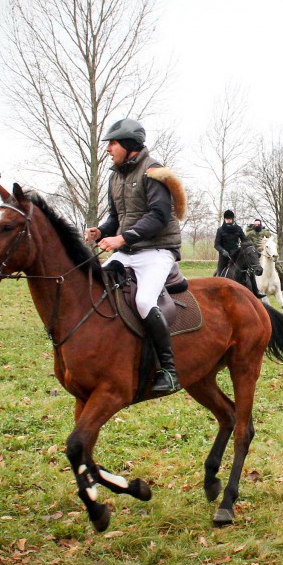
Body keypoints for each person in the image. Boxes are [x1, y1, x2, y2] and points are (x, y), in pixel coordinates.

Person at [84, 117, 186, 396]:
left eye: (112, 144)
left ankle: (169, 370)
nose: (108, 149)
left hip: (158, 250)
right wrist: (101, 231)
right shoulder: (115, 177)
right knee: (94, 285)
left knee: (143, 301)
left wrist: (121, 238)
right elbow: (115, 218)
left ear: (129, 145)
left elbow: (159, 215)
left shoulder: (154, 172)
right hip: (128, 251)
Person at [244, 217, 283, 290]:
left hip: (265, 253)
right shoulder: (249, 233)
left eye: (258, 224)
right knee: (247, 266)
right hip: (254, 254)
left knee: (277, 265)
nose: (257, 225)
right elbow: (246, 242)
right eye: (255, 224)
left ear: (260, 224)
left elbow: (270, 241)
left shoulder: (266, 232)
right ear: (253, 225)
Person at [214, 210, 248, 278]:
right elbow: (216, 245)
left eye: (230, 219)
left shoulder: (238, 229)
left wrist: (243, 248)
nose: (228, 221)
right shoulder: (220, 230)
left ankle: (254, 284)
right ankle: (218, 279)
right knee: (219, 272)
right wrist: (222, 251)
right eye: (227, 219)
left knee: (248, 269)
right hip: (224, 255)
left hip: (236, 254)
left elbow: (244, 241)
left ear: (232, 219)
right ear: (224, 219)